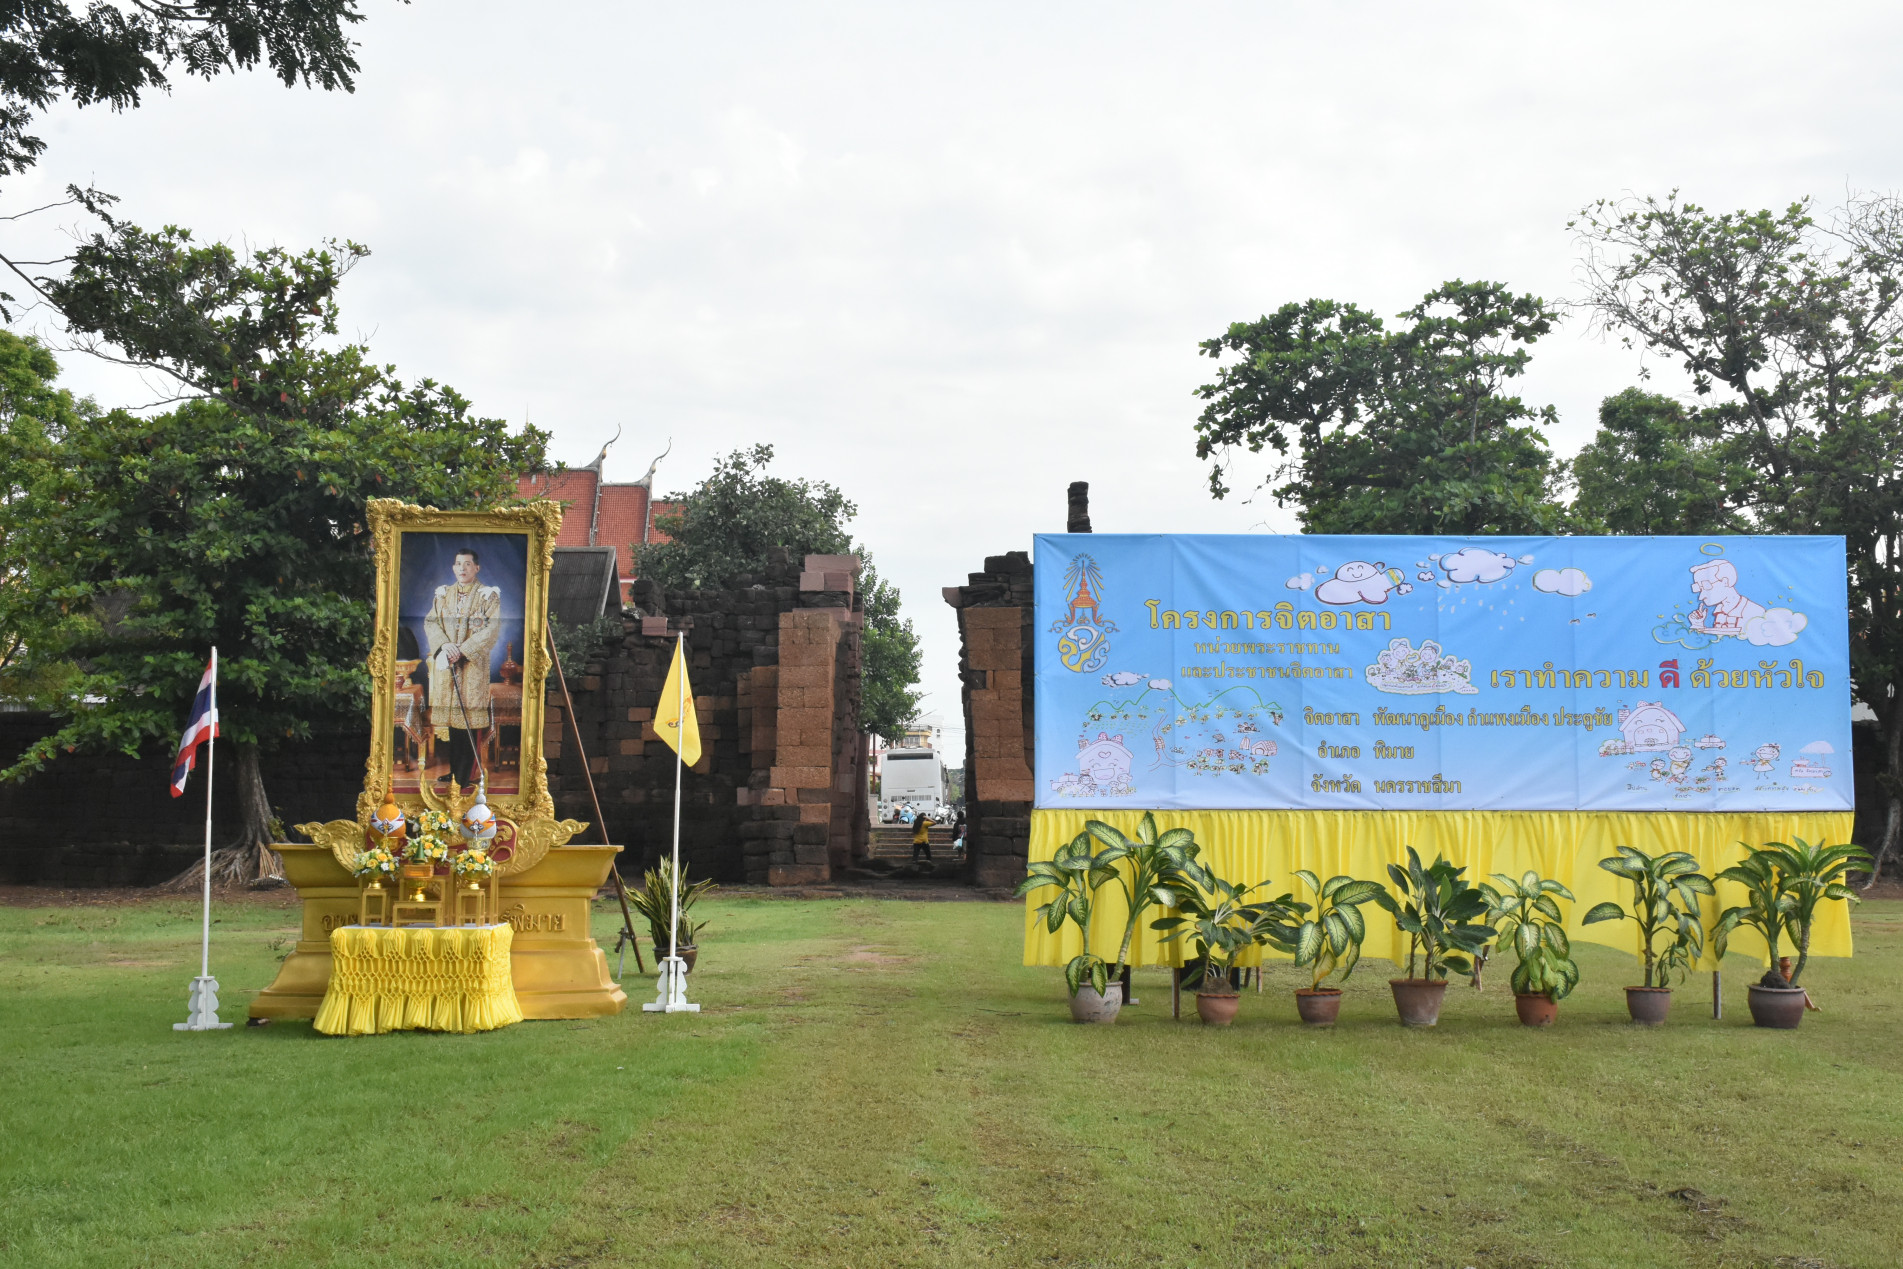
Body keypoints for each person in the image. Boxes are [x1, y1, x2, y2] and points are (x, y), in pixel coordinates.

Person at [424, 546, 502, 794]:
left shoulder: (488, 596)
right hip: (447, 664)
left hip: (472, 667)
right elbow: (431, 622)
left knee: (468, 720)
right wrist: (445, 646)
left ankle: (466, 773)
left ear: (476, 568)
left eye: (468, 564)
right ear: (453, 567)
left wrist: (463, 650)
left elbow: (491, 630)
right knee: (453, 722)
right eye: (458, 564)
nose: (462, 568)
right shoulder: (442, 594)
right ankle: (456, 770)